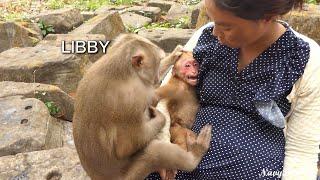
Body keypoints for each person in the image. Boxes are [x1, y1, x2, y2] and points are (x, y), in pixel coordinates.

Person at [146, 0, 320, 179]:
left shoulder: (303, 58)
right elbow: (164, 100)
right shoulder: (206, 38)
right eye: (213, 20)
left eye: (226, 27)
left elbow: (302, 151)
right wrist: (162, 144)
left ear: (266, 17)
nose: (214, 31)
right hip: (181, 164)